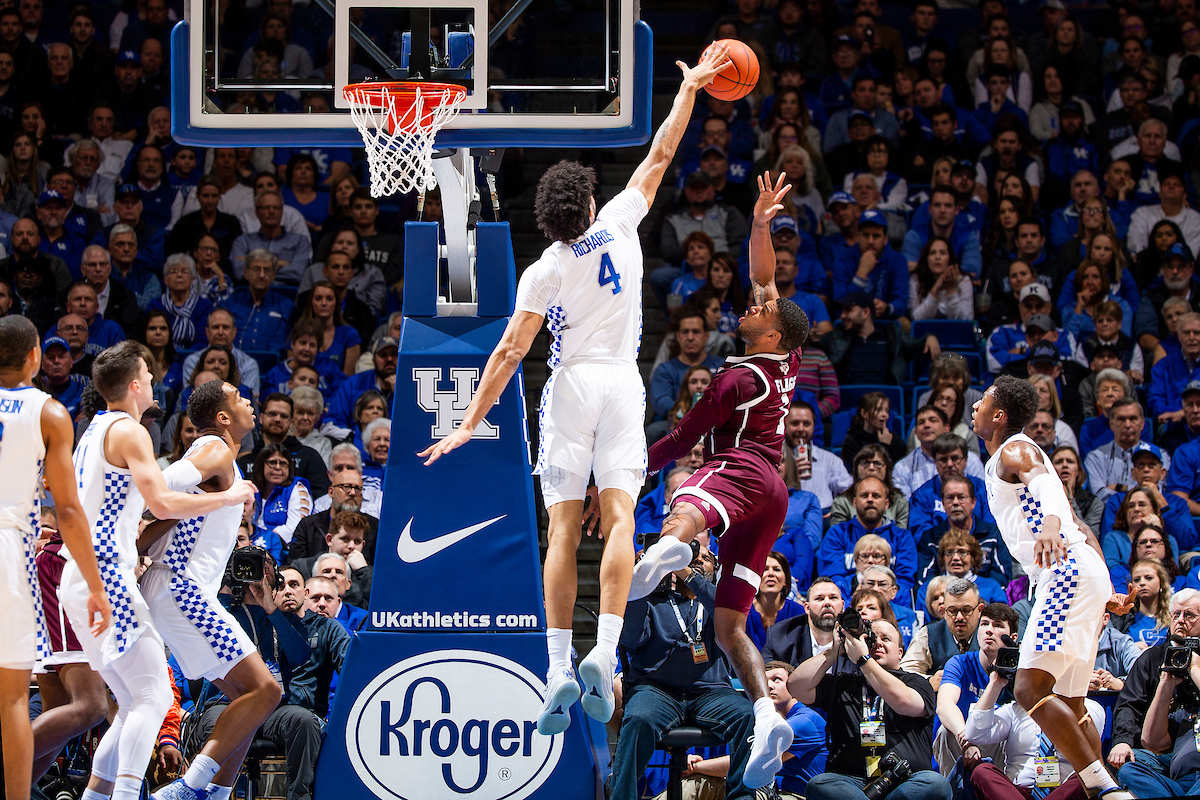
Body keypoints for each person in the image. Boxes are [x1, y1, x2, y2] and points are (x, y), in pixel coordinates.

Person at [418, 46, 732, 736]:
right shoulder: (619, 222)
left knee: (561, 530)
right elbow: (660, 153)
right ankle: (607, 651)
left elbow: (510, 351)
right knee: (620, 521)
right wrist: (689, 92)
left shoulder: (543, 270)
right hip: (624, 385)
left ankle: (559, 667)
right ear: (588, 203)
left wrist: (470, 421)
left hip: (567, 389)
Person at [628, 172, 811, 786]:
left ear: (772, 331)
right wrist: (760, 223)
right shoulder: (783, 356)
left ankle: (672, 544)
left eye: (759, 310)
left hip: (746, 472)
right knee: (731, 624)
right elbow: (767, 281)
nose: (750, 302)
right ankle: (766, 713)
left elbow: (680, 440)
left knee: (686, 483)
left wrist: (629, 471)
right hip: (775, 495)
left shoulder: (735, 380)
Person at [64, 343, 253, 800]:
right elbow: (162, 500)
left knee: (132, 703)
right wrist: (228, 497)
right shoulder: (131, 431)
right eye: (148, 373)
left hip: (83, 576)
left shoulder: (93, 431)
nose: (153, 379)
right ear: (134, 384)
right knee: (154, 699)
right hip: (107, 574)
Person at [972, 374, 1134, 800]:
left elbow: (1049, 489)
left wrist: (1049, 527)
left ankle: (1104, 789)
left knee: (1028, 688)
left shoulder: (1016, 448)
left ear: (999, 414)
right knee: (1073, 703)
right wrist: (1107, 586)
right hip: (1083, 570)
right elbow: (1081, 524)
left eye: (983, 400)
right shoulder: (1005, 458)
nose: (975, 406)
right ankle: (1106, 790)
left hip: (1063, 572)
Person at [137, 378, 284, 800]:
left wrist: (134, 545)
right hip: (182, 587)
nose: (249, 401)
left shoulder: (221, 463)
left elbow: (164, 515)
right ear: (222, 417)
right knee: (266, 689)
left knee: (249, 699)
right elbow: (161, 487)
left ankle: (215, 794)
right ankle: (187, 789)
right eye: (239, 397)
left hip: (174, 588)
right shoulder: (213, 448)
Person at [0, 316, 110, 800]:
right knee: (12, 704)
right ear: (34, 358)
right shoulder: (48, 412)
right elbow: (66, 509)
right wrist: (95, 585)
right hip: (11, 552)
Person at [611, 545, 758, 800]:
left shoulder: (719, 603)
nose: (698, 561)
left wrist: (689, 574)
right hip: (657, 689)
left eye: (705, 559)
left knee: (747, 716)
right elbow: (630, 638)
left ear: (715, 570)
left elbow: (730, 620)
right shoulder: (653, 600)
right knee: (638, 719)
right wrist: (641, 579)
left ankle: (743, 797)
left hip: (711, 693)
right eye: (691, 557)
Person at [788, 617, 952, 800]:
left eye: (886, 639)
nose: (878, 643)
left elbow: (904, 702)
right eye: (872, 638)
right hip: (851, 782)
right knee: (819, 784)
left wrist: (864, 660)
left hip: (905, 779)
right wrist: (834, 650)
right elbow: (796, 687)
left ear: (900, 653)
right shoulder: (843, 682)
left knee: (936, 784)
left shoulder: (917, 682)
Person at [935, 603, 1019, 776]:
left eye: (998, 626)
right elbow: (944, 706)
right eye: (985, 624)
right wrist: (966, 740)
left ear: (1013, 637)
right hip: (962, 742)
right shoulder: (959, 663)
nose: (989, 630)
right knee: (945, 731)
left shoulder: (1021, 672)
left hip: (998, 744)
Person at [819, 477, 917, 598]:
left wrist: (880, 603)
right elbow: (833, 579)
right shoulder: (837, 534)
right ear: (855, 503)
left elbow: (904, 582)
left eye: (876, 496)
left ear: (886, 504)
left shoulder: (902, 538)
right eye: (864, 496)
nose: (870, 500)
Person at [900, 578, 982, 687]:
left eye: (966, 610)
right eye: (952, 611)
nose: (959, 617)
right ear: (943, 611)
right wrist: (929, 681)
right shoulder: (927, 634)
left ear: (979, 610)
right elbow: (905, 673)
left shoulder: (991, 632)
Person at [762, 576, 844, 666]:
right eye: (819, 598)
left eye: (833, 598)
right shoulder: (780, 637)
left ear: (843, 606)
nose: (827, 603)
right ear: (807, 608)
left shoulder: (854, 638)